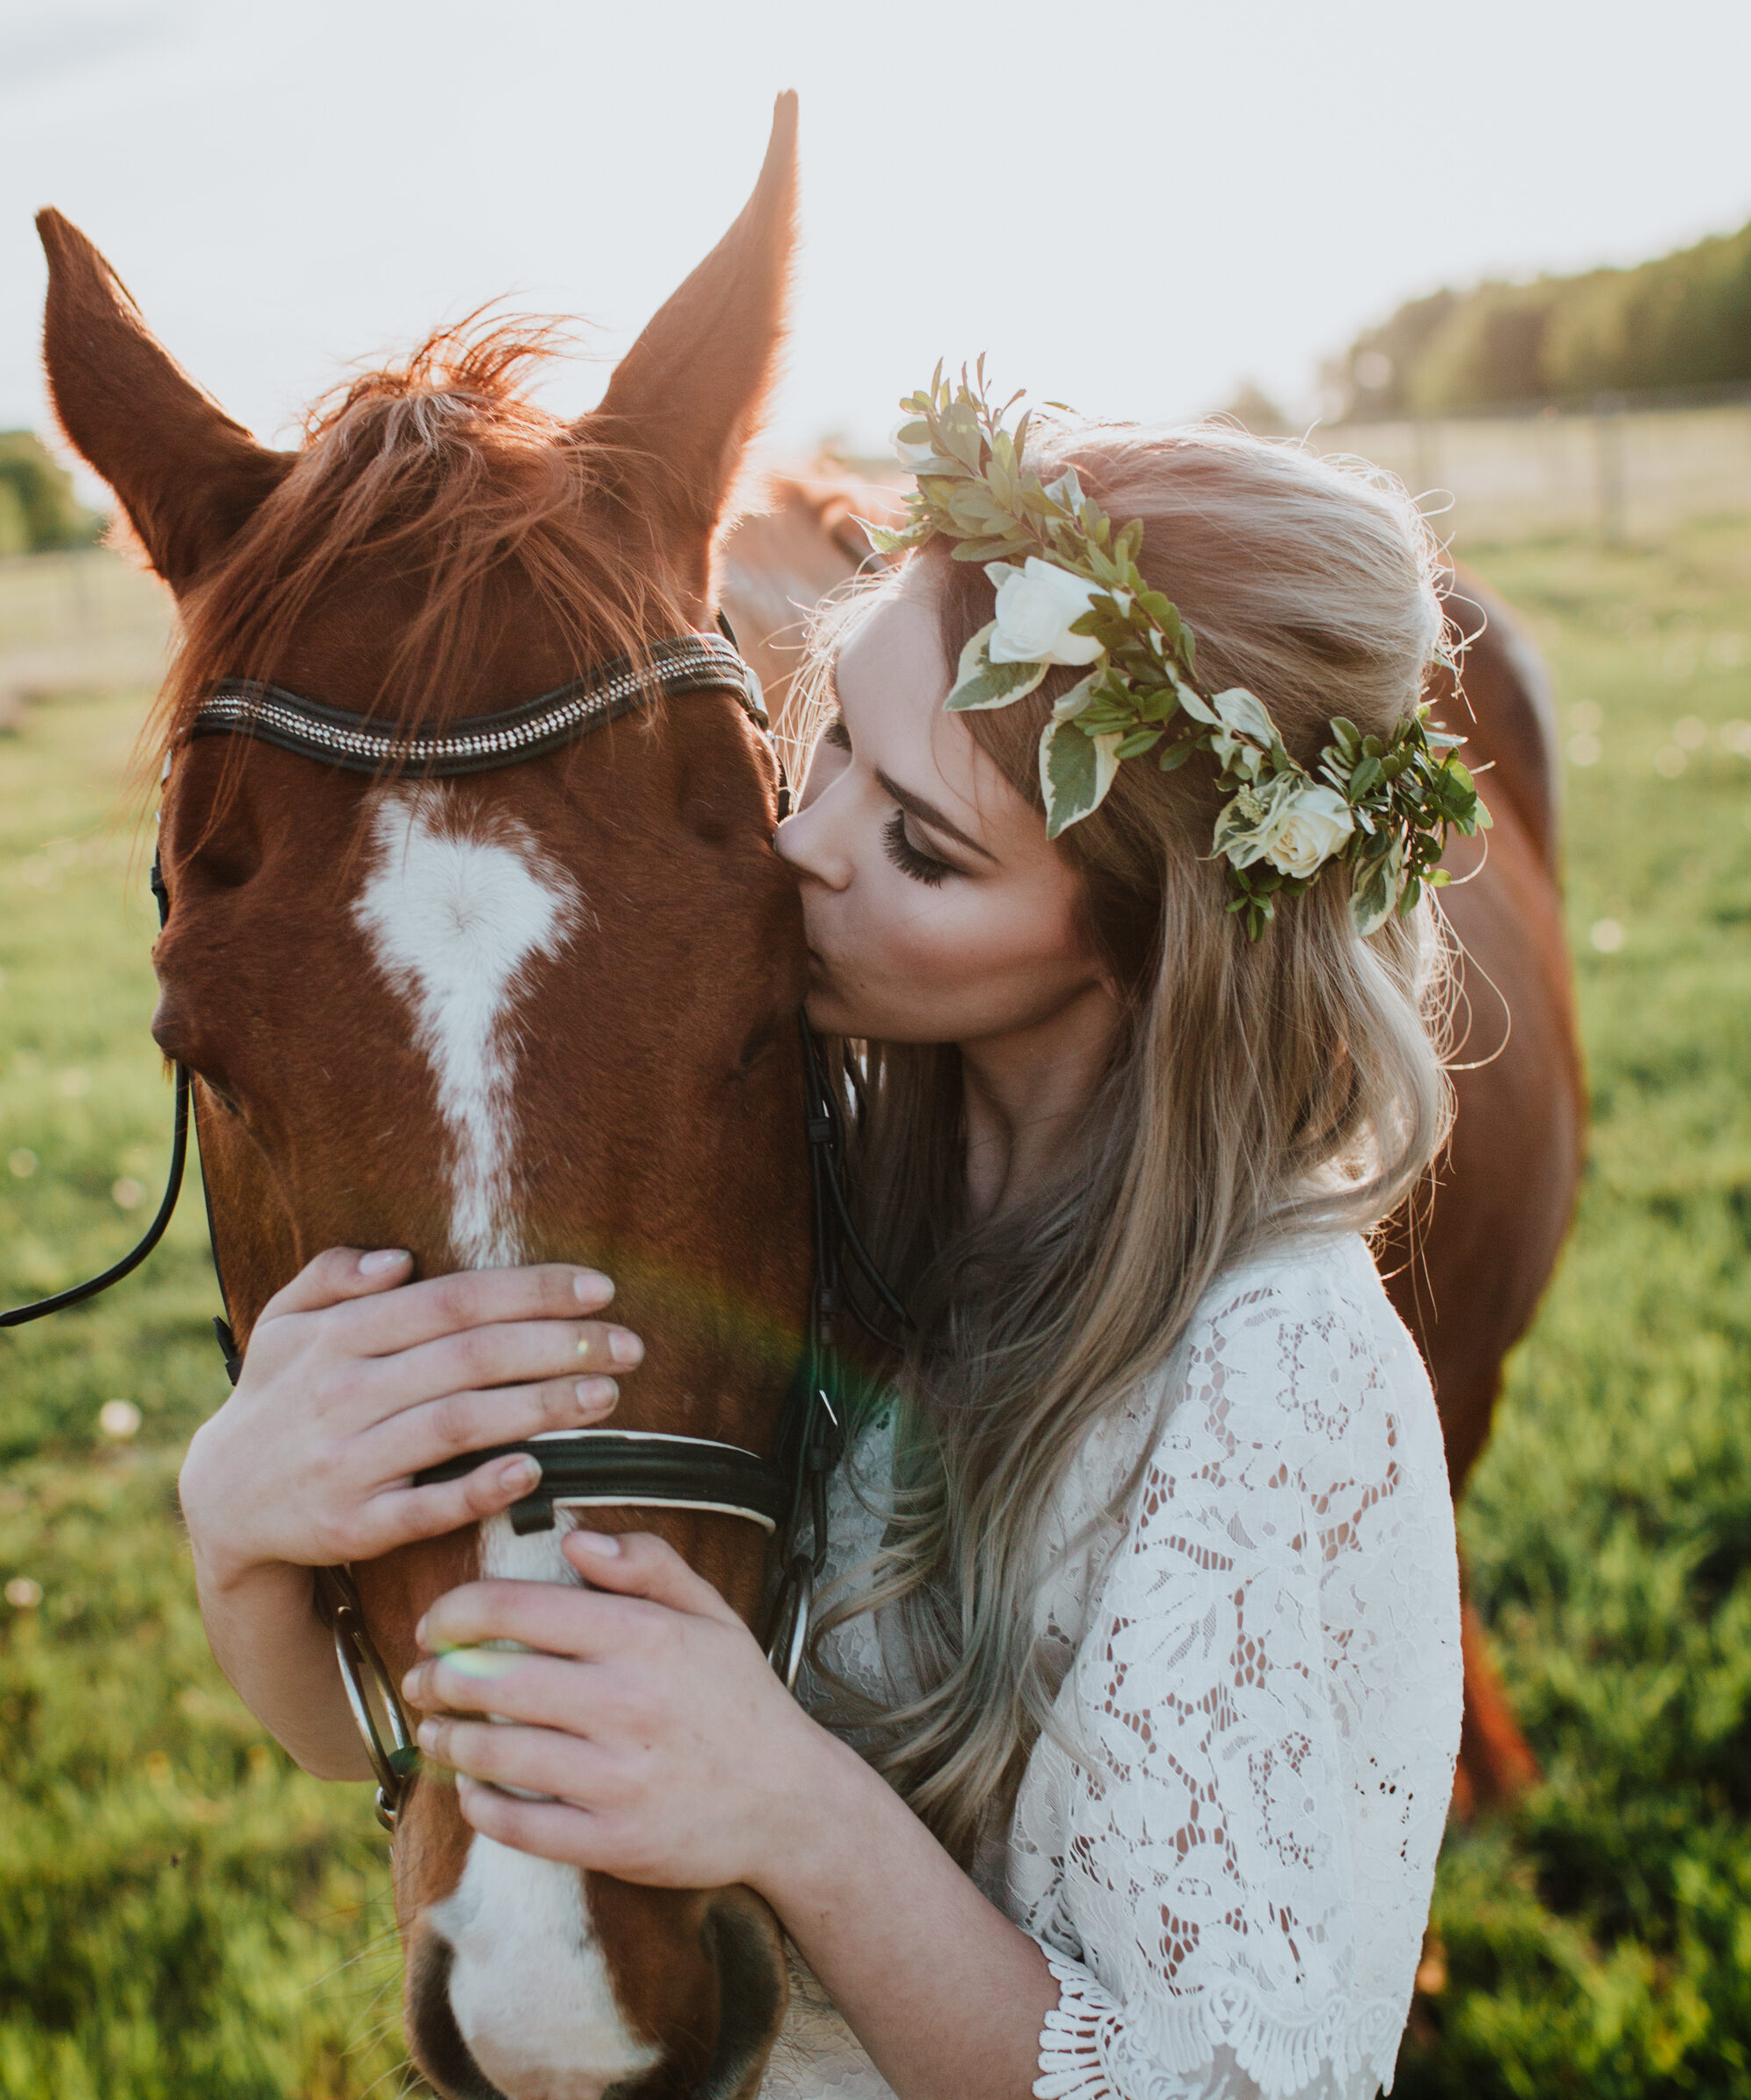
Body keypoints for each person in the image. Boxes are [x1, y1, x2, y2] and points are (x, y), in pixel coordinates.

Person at [178, 380, 1471, 2100]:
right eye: (830, 743)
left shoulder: (1272, 1387)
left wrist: (796, 1812)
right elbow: (467, 1733)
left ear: (1157, 944)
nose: (798, 850)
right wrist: (244, 1536)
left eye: (921, 848)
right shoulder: (813, 1160)